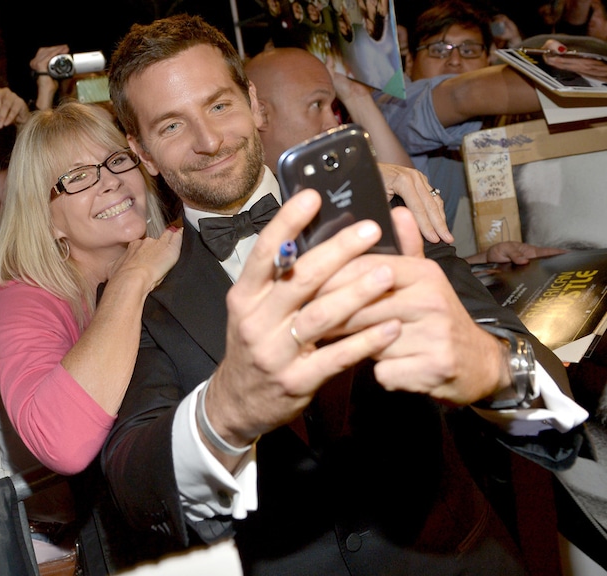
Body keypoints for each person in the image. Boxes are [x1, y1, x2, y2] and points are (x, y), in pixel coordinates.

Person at [99, 13, 589, 575]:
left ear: (254, 104)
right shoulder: (146, 292)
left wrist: (490, 369)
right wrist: (224, 413)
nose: (209, 142)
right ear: (141, 152)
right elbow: (136, 488)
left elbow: (552, 401)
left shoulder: (376, 209)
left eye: (218, 106)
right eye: (171, 126)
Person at [0, 100, 182, 476]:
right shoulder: (22, 299)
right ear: (44, 217)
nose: (110, 180)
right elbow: (62, 444)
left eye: (117, 160)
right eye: (76, 177)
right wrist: (129, 280)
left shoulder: (179, 243)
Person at [243, 45, 566, 266]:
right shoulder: (245, 214)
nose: (332, 123)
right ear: (261, 114)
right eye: (317, 106)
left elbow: (393, 275)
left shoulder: (339, 186)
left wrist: (482, 263)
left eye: (334, 107)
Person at [374, 0, 545, 255]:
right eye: (438, 50)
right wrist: (559, 76)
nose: (454, 61)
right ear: (409, 62)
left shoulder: (503, 123)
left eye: (469, 50)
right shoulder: (394, 106)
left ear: (489, 60)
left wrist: (481, 261)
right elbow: (464, 94)